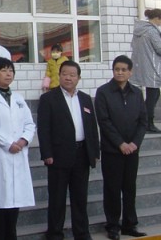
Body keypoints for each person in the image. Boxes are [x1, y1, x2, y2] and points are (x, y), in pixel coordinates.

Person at [37, 60, 100, 240]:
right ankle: (55, 234)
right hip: (58, 155)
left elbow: (92, 127)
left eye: (72, 75)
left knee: (80, 197)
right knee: (57, 198)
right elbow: (43, 128)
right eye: (64, 74)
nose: (68, 78)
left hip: (82, 154)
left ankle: (82, 233)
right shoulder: (48, 98)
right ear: (59, 75)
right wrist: (47, 153)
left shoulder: (85, 99)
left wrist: (95, 152)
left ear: (78, 78)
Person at [0, 57, 35, 240]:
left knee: (13, 204)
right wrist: (7, 143)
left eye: (11, 70)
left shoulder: (18, 98)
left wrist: (23, 140)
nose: (8, 74)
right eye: (3, 70)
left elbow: (29, 124)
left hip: (18, 153)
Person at [95, 55, 148, 239]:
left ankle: (129, 225)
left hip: (132, 150)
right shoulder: (103, 92)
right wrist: (120, 143)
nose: (120, 72)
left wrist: (134, 143)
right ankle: (113, 226)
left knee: (129, 188)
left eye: (124, 70)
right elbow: (104, 121)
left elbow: (143, 121)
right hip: (112, 150)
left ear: (130, 72)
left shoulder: (137, 93)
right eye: (117, 69)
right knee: (112, 189)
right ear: (113, 71)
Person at [130, 8, 161, 133]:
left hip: (142, 66)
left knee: (153, 95)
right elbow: (159, 49)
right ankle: (148, 123)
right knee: (153, 95)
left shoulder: (140, 30)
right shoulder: (151, 31)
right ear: (157, 18)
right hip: (152, 67)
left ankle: (143, 120)